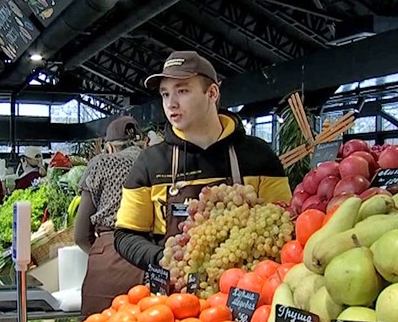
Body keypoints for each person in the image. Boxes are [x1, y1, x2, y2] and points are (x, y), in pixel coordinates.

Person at [114, 51, 292, 270]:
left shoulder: (259, 157)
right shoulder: (150, 163)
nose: (171, 103)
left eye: (182, 91)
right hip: (174, 296)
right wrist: (165, 259)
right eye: (165, 94)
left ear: (212, 93)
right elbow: (126, 235)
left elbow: (282, 222)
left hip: (247, 290)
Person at [75, 116, 145, 315]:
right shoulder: (153, 161)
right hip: (147, 256)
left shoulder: (100, 164)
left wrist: (101, 251)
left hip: (107, 257)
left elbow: (80, 236)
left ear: (110, 147)